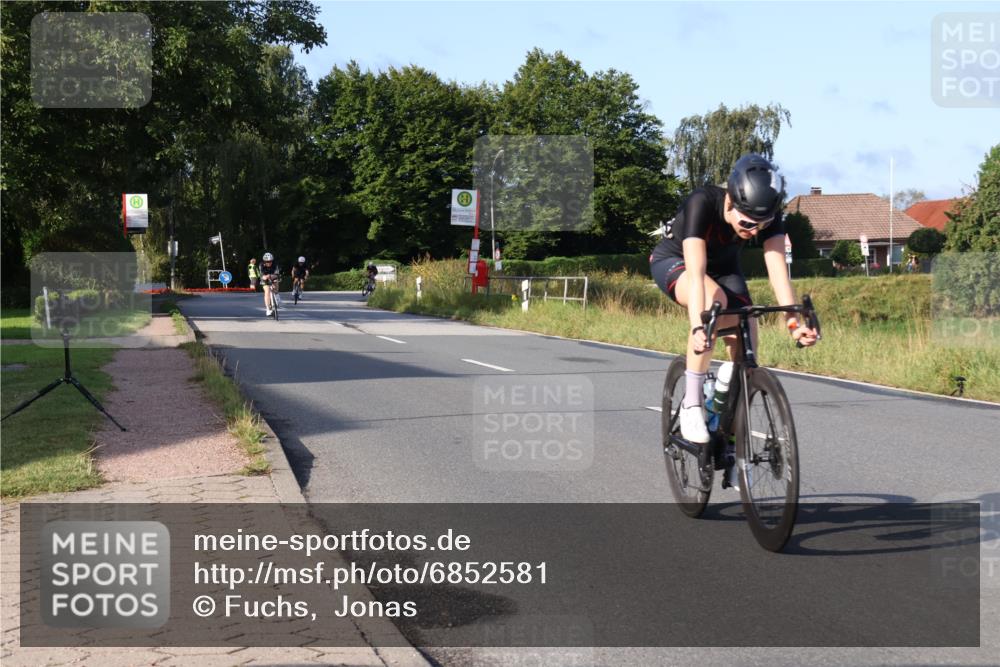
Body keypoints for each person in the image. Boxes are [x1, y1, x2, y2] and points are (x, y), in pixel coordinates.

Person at [649, 153, 818, 444]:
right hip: (677, 262)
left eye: (761, 226)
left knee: (747, 331)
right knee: (713, 302)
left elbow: (777, 269)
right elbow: (697, 273)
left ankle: (728, 430)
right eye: (748, 224)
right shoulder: (702, 202)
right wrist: (698, 326)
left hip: (725, 269)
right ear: (730, 202)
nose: (753, 231)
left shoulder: (767, 214)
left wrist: (793, 323)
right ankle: (692, 403)